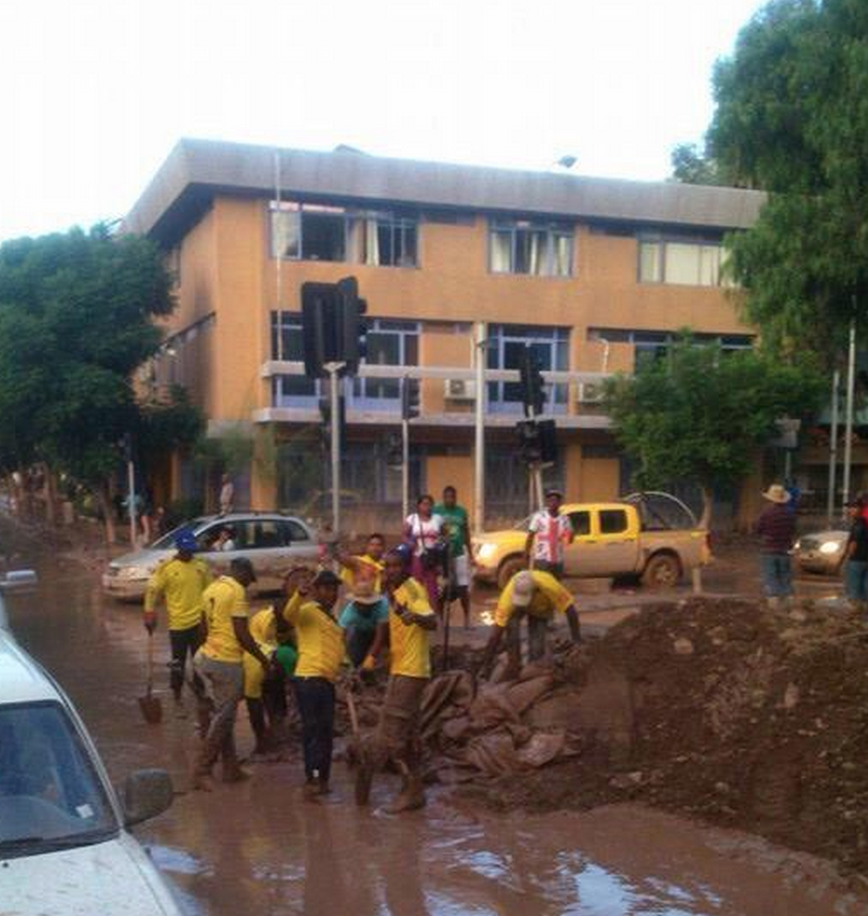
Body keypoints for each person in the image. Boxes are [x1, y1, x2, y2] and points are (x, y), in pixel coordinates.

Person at [356, 547, 438, 813]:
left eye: (395, 566)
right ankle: (415, 789)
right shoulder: (392, 590)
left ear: (405, 568)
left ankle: (411, 789)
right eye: (387, 566)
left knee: (392, 736)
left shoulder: (412, 590)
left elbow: (432, 620)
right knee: (409, 732)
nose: (390, 571)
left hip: (411, 672)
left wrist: (415, 617)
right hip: (400, 668)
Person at [192, 557, 268, 790]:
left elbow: (202, 629)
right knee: (224, 717)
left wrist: (203, 656)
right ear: (243, 573)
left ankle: (230, 767)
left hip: (204, 658)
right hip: (226, 662)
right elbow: (242, 632)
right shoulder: (236, 591)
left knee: (223, 715)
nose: (248, 586)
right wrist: (263, 659)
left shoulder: (211, 589)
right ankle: (202, 769)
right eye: (248, 580)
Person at [283, 568, 345, 800]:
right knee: (314, 731)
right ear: (317, 591)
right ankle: (314, 778)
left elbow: (337, 649)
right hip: (309, 679)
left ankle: (322, 779)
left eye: (334, 589)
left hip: (326, 681)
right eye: (327, 589)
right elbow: (289, 615)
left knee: (325, 732)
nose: (332, 594)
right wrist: (299, 594)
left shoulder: (332, 618)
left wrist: (346, 667)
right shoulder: (308, 610)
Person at [143, 529, 212, 709]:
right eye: (186, 549)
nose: (189, 552)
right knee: (178, 663)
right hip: (178, 625)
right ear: (179, 548)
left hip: (200, 624)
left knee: (199, 662)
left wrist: (212, 618)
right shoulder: (167, 569)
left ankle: (200, 695)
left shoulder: (201, 566)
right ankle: (177, 695)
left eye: (191, 549)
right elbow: (152, 591)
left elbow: (211, 593)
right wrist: (149, 612)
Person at [479, 569, 581, 680]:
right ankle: (514, 664)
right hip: (516, 609)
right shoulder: (508, 598)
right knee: (511, 624)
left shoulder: (550, 586)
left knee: (536, 648)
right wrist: (486, 664)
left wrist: (577, 640)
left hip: (541, 608)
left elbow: (570, 611)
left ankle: (534, 665)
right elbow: (496, 633)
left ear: (535, 590)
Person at [242, 602, 293, 756]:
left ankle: (275, 734)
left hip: (269, 659)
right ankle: (263, 741)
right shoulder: (255, 666)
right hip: (261, 665)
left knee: (275, 697)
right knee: (262, 701)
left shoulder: (275, 643)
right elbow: (252, 702)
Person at [434, 486, 474, 628]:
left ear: (456, 497)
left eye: (452, 497)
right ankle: (440, 620)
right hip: (443, 555)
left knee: (463, 587)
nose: (450, 499)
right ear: (443, 497)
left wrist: (471, 554)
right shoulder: (436, 511)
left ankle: (467, 619)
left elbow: (466, 532)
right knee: (441, 588)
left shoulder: (461, 511)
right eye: (447, 497)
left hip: (459, 554)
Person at [756, 483, 797, 607]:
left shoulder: (766, 513)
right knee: (785, 576)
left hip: (769, 550)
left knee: (770, 576)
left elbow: (758, 529)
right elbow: (793, 530)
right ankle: (789, 601)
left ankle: (773, 603)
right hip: (785, 550)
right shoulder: (790, 514)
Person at [404, 494, 444, 611]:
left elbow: (446, 534)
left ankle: (435, 618)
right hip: (417, 557)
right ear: (418, 506)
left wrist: (441, 544)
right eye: (424, 504)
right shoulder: (412, 519)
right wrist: (411, 544)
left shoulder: (438, 518)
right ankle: (418, 613)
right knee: (417, 586)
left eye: (430, 504)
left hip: (433, 557)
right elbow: (404, 535)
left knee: (433, 588)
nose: (427, 507)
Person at [338, 577, 390, 668]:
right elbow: (340, 636)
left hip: (386, 630)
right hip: (362, 631)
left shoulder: (383, 606)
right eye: (360, 604)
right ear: (355, 603)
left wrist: (370, 657)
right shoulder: (349, 611)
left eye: (366, 604)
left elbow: (380, 636)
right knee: (355, 657)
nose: (363, 607)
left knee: (383, 657)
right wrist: (343, 656)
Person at [525, 488, 574, 579]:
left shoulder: (565, 519)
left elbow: (569, 540)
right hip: (541, 559)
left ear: (560, 503)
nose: (553, 503)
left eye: (556, 500)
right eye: (550, 500)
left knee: (555, 587)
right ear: (547, 502)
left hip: (558, 560)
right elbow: (530, 536)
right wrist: (526, 553)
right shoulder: (539, 517)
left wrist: (570, 536)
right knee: (541, 586)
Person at [844, 498, 868, 613]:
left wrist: (848, 558)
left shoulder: (859, 523)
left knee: (853, 589)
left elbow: (854, 542)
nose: (850, 510)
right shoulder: (864, 522)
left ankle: (855, 612)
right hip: (865, 559)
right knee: (863, 588)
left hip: (857, 559)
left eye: (853, 507)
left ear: (860, 509)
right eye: (849, 507)